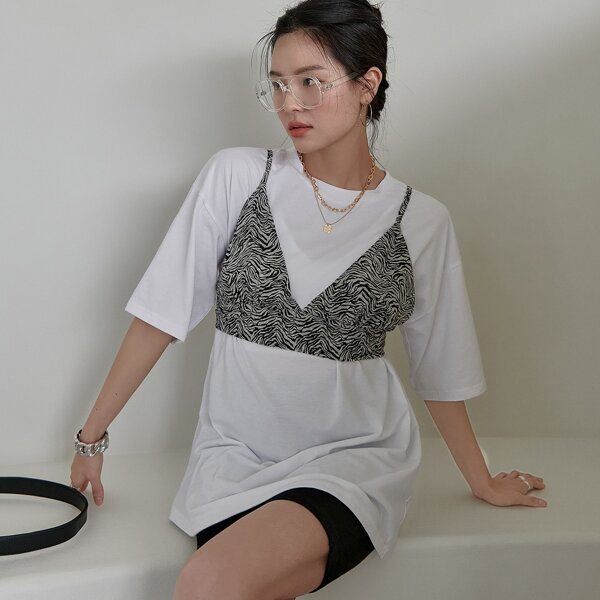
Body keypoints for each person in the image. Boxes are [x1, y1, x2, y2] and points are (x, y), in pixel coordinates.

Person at [69, 0, 547, 598]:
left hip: (352, 459)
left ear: (367, 84)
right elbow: (160, 315)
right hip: (233, 460)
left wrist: (481, 480)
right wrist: (91, 438)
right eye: (277, 84)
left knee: (207, 583)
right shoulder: (237, 177)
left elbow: (441, 369)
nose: (289, 102)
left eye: (310, 82)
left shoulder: (421, 221)